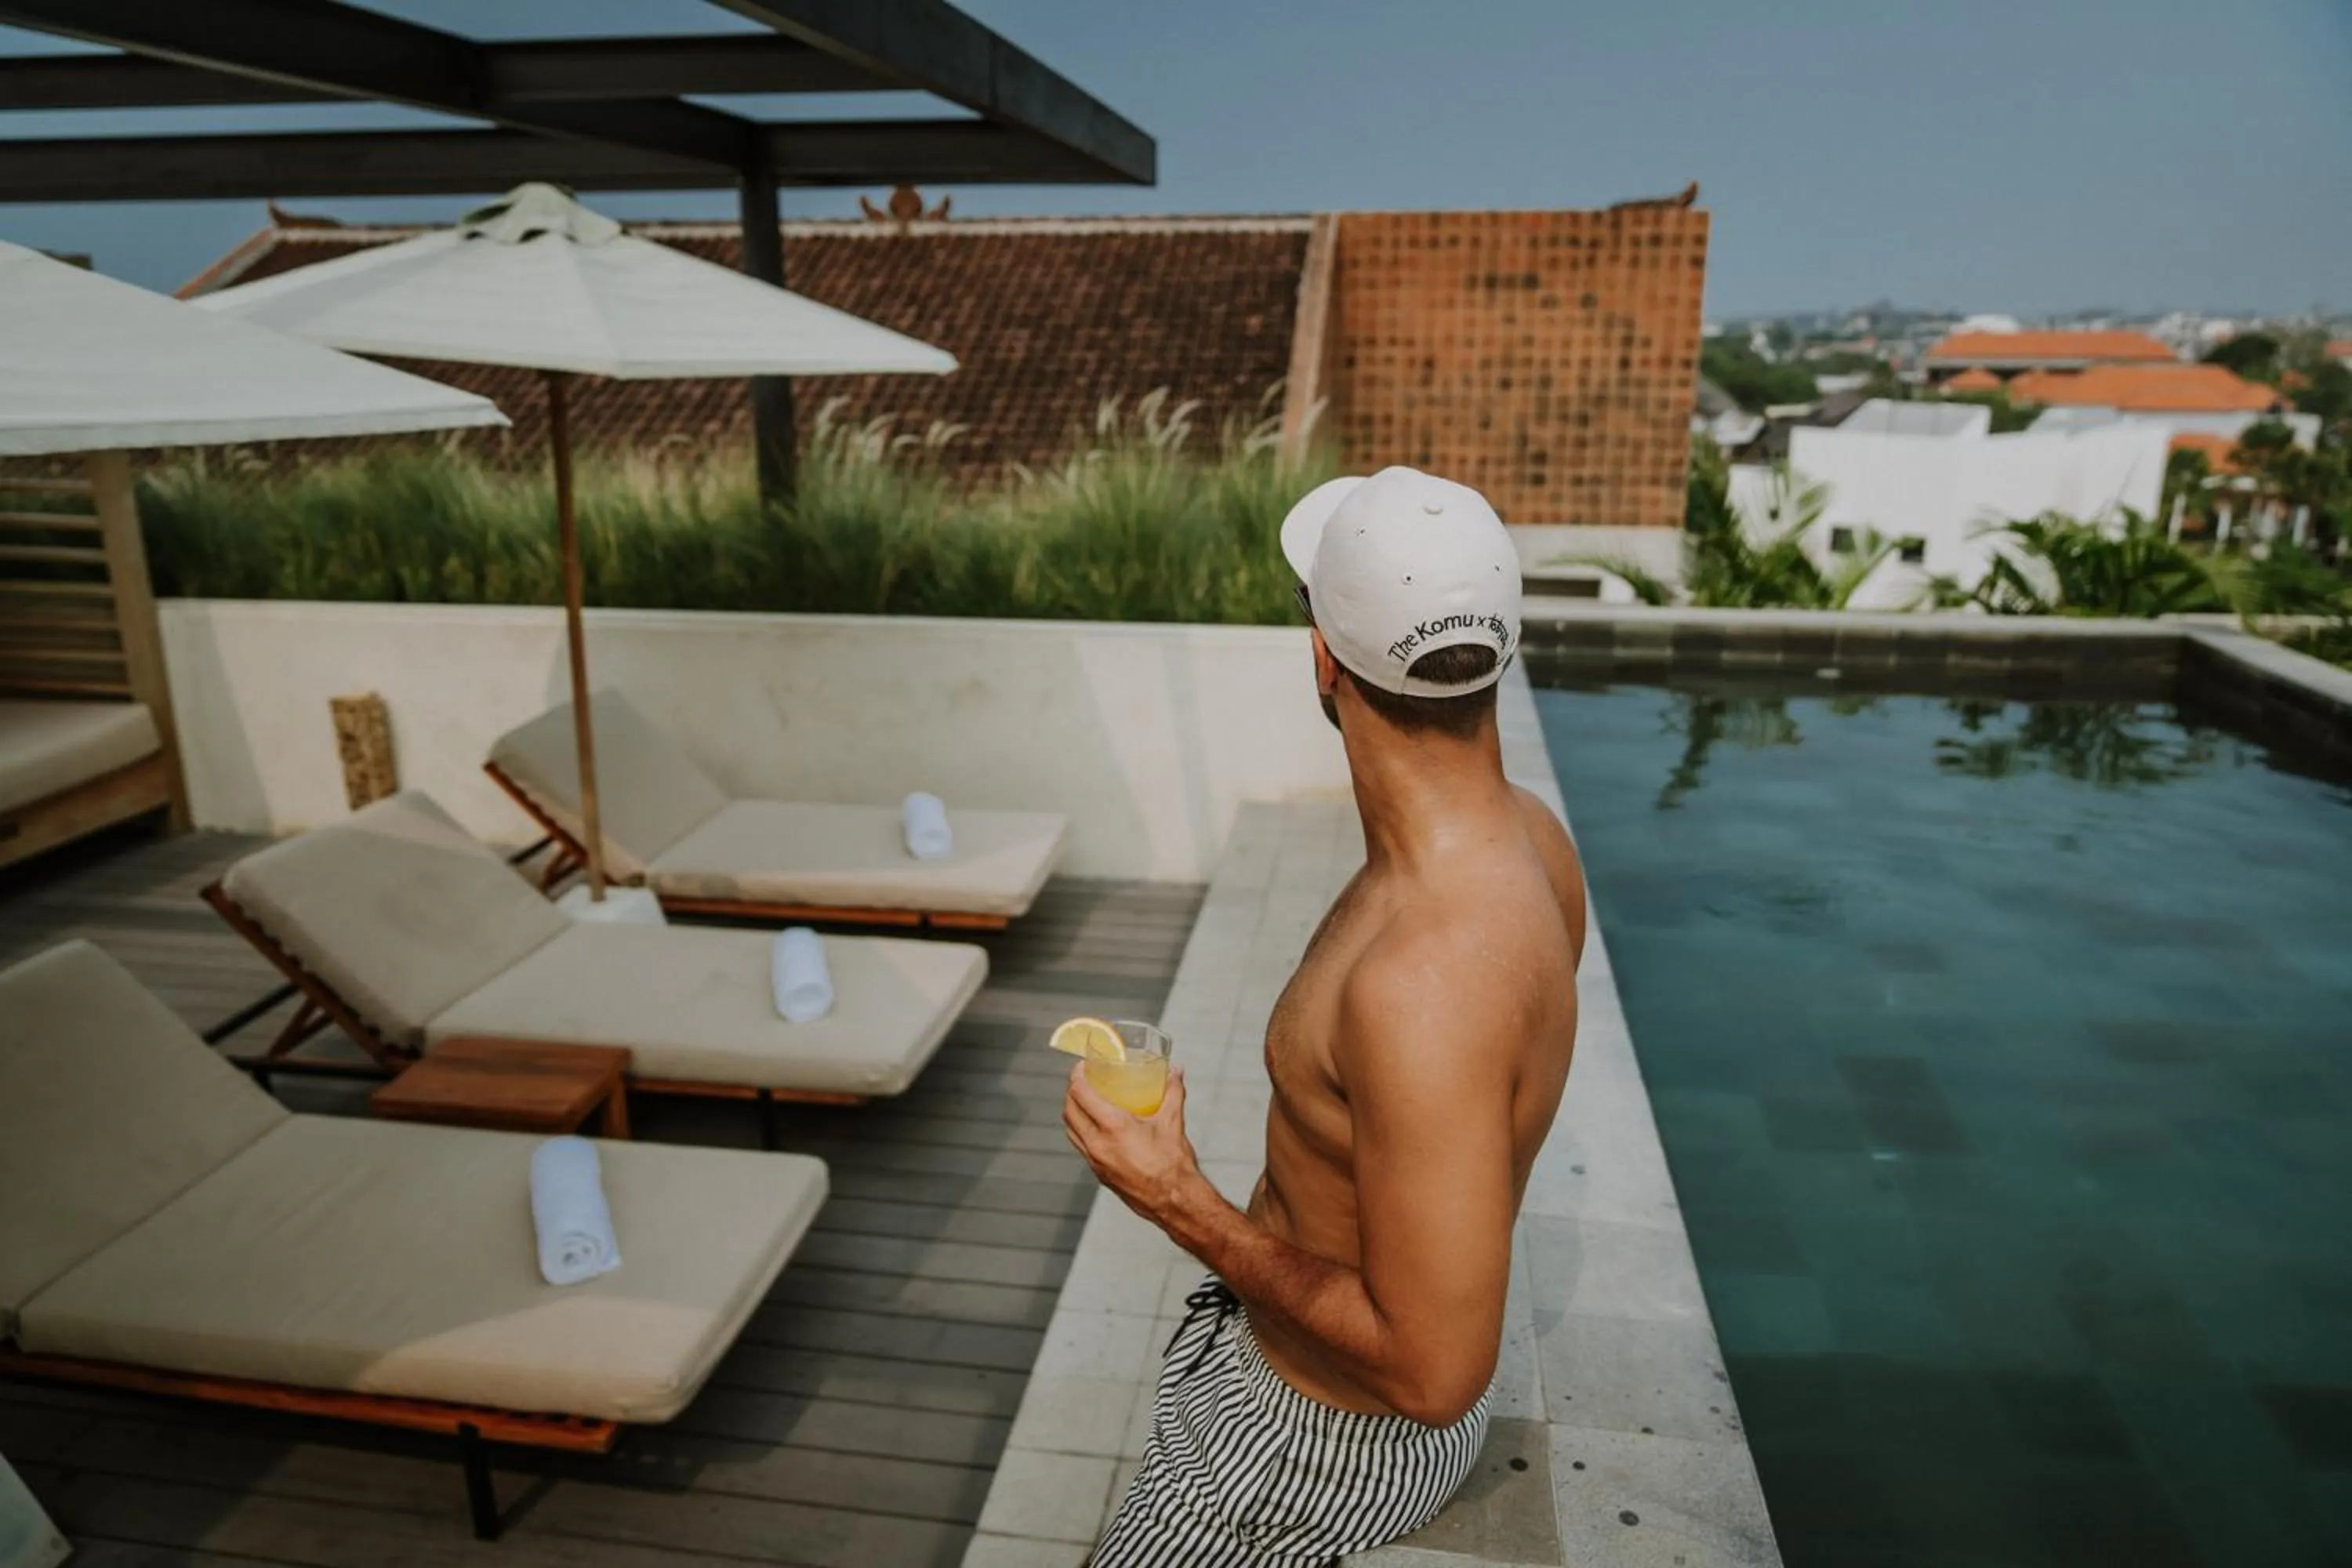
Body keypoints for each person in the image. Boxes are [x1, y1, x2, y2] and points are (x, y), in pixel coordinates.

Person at [1063, 466, 1586, 1566]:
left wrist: (1179, 1202)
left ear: (1322, 660)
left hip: (1311, 1441)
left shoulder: (1420, 984)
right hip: (1308, 1384)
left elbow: (1437, 1373)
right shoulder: (1531, 842)